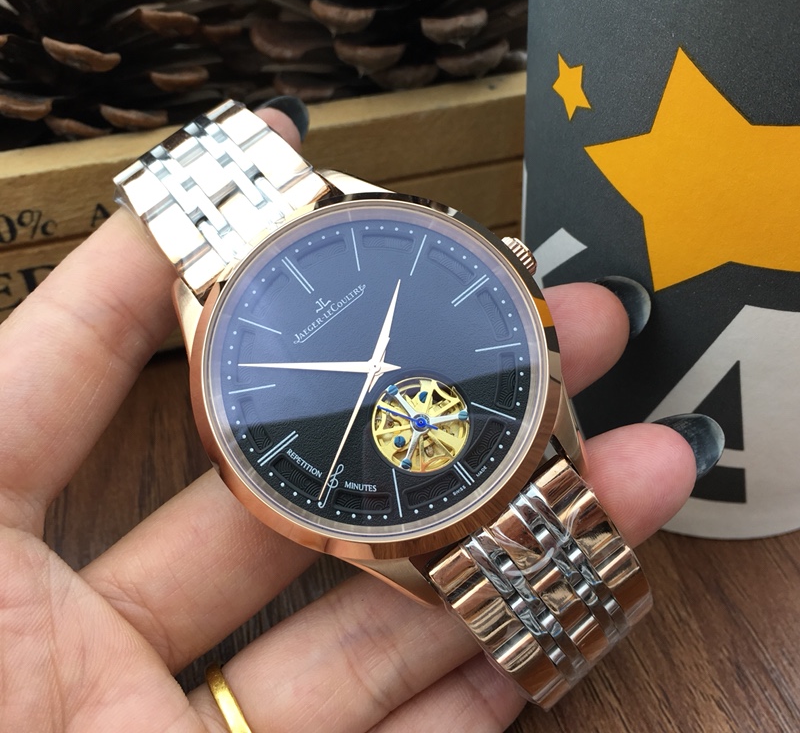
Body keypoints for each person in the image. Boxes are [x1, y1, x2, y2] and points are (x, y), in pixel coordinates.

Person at [0, 102, 722, 732]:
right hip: (418, 507)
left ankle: (572, 624)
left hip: (517, 440)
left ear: (512, 264)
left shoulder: (360, 219)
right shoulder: (219, 344)